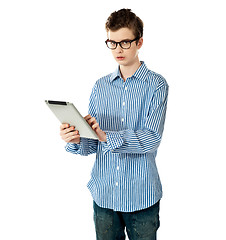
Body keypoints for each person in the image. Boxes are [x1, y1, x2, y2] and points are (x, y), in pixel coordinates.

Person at [60, 8, 168, 240]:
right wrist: (78, 138)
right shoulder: (100, 87)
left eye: (125, 42)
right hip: (104, 195)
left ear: (139, 42)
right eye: (112, 42)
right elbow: (94, 143)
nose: (118, 49)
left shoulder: (157, 85)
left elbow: (151, 138)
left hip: (141, 196)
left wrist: (106, 135)